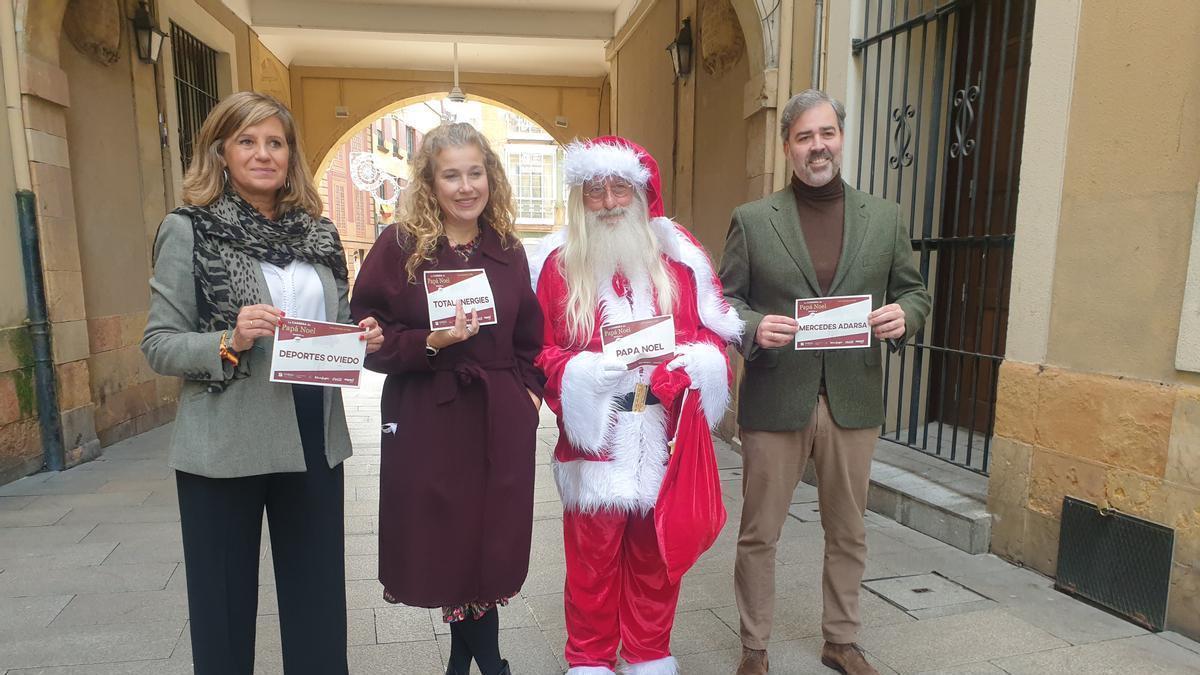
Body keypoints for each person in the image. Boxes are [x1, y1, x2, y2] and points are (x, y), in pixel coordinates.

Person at [142, 91, 383, 675]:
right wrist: (230, 338)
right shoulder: (189, 230)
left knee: (318, 598)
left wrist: (360, 336)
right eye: (247, 141)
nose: (262, 154)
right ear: (221, 151)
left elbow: (335, 324)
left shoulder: (320, 235)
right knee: (223, 605)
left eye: (275, 142)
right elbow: (159, 343)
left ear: (290, 155)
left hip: (312, 433)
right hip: (224, 441)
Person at [718, 89, 932, 675]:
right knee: (759, 533)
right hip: (776, 398)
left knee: (849, 530)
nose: (818, 146)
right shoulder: (755, 220)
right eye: (805, 137)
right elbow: (722, 301)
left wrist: (905, 316)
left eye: (827, 133)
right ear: (787, 146)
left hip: (851, 398)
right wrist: (755, 327)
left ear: (841, 137)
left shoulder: (883, 218)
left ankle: (841, 638)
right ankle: (754, 647)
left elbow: (914, 291)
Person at [530, 136, 743, 675]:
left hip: (663, 434)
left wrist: (693, 368)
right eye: (594, 191)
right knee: (591, 567)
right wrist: (581, 372)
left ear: (643, 192)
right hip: (596, 440)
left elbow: (713, 337)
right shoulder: (556, 267)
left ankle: (649, 656)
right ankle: (590, 659)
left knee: (655, 563)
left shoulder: (678, 260)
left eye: (619, 188)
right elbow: (536, 352)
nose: (607, 203)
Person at [349, 122, 544, 675]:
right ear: (429, 183)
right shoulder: (399, 247)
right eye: (450, 175)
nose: (465, 187)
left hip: (497, 415)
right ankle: (490, 663)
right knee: (449, 539)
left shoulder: (507, 248)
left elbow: (532, 336)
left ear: (491, 177)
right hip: (428, 416)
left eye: (475, 173)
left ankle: (469, 660)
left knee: (492, 537)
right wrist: (428, 344)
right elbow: (365, 338)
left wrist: (527, 396)